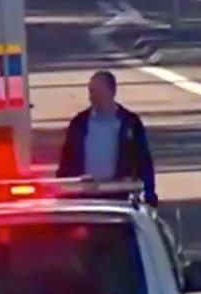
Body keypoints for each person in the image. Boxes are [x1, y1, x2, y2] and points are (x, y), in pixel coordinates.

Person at [56, 70, 157, 206]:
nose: (93, 97)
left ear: (112, 92)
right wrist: (63, 193)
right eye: (91, 91)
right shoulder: (79, 123)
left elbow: (144, 163)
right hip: (85, 197)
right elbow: (66, 162)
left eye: (98, 91)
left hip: (120, 197)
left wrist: (149, 196)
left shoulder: (130, 123)